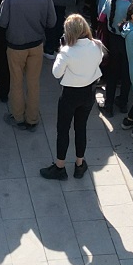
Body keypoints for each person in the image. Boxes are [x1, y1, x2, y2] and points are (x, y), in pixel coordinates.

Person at [42, 14, 103, 180]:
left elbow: (56, 73)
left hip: (70, 94)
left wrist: (62, 51)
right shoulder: (97, 45)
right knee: (81, 128)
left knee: (63, 130)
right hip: (89, 93)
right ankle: (79, 164)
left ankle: (60, 167)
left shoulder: (67, 51)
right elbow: (98, 61)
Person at [0, 0, 57, 131]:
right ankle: (32, 118)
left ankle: (18, 117)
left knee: (16, 82)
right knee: (33, 83)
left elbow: (1, 22)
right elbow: (52, 22)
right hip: (36, 45)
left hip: (15, 46)